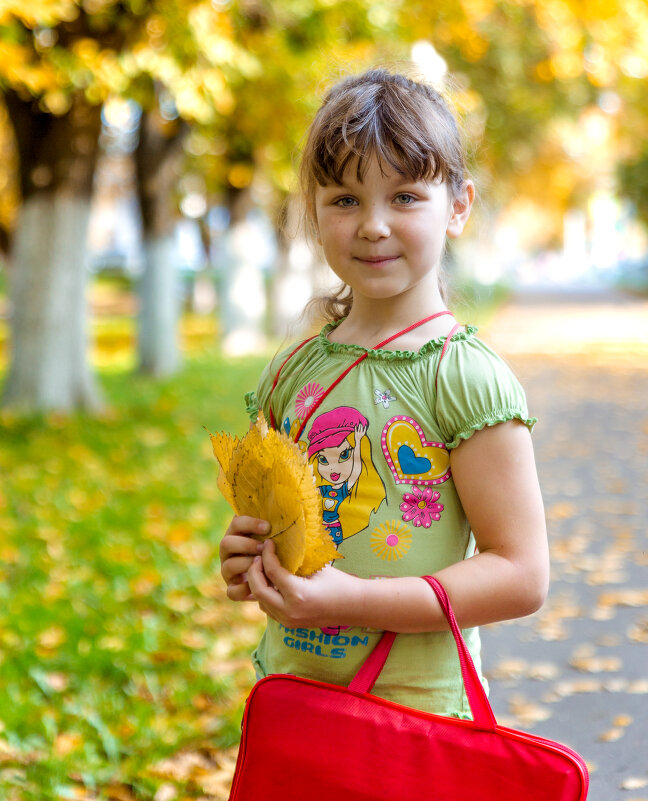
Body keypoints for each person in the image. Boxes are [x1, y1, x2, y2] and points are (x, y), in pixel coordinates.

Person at [219, 68, 549, 716]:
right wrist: (249, 559)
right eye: (345, 199)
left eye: (403, 197)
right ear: (313, 210)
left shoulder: (462, 375)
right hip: (297, 706)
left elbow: (521, 574)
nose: (372, 225)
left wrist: (351, 602)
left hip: (417, 726)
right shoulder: (292, 372)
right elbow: (290, 528)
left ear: (458, 207)